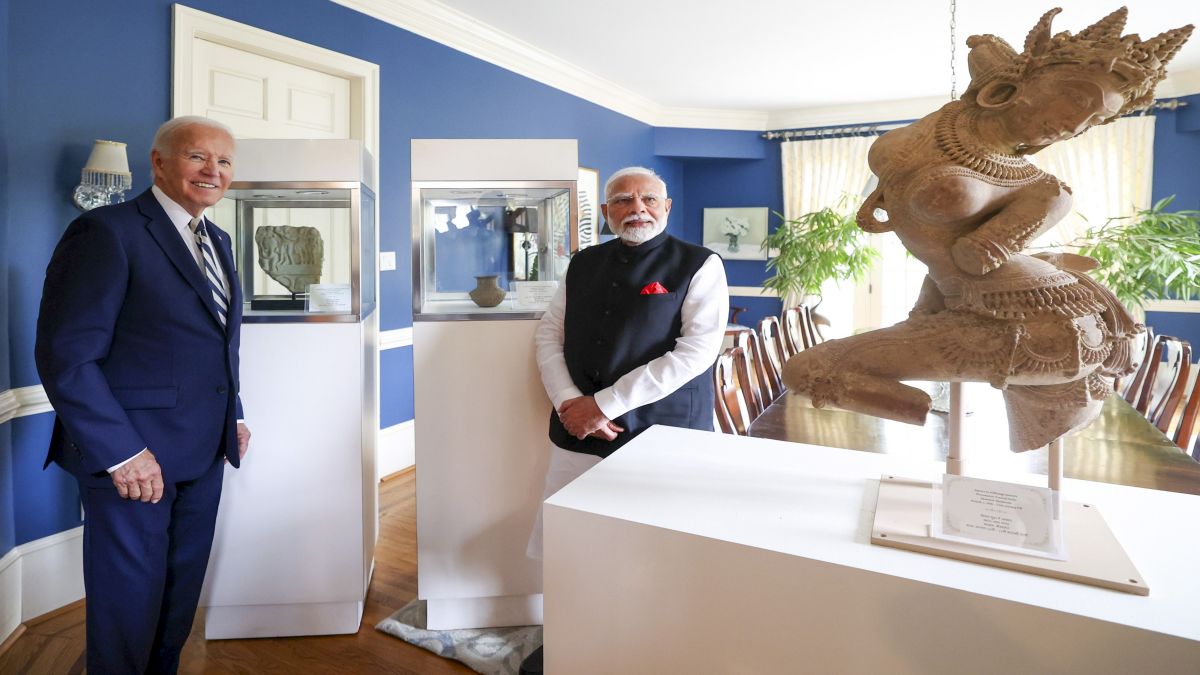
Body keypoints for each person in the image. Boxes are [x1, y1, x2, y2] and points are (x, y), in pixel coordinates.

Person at [782, 8, 1192, 452]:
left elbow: (970, 260)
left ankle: (938, 430)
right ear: (1015, 86)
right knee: (813, 370)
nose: (1075, 126)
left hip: (1032, 325)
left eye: (1094, 120)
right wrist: (925, 310)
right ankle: (940, 426)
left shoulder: (1045, 191)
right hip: (1027, 311)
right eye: (1076, 100)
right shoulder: (946, 129)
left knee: (810, 370)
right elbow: (948, 259)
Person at [35, 116, 251, 674]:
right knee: (127, 606)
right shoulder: (107, 231)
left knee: (178, 598)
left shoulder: (219, 240)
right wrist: (123, 454)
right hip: (133, 459)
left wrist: (236, 414)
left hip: (205, 452)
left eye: (224, 161)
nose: (213, 171)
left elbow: (213, 347)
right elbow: (68, 357)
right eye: (198, 157)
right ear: (158, 162)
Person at [520, 166, 729, 674]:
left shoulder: (699, 265)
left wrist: (604, 405)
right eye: (622, 200)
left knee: (656, 547)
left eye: (648, 198)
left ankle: (651, 648)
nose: (636, 207)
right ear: (608, 210)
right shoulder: (582, 263)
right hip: (577, 433)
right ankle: (571, 639)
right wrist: (571, 402)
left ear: (666, 206)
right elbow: (549, 335)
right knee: (571, 540)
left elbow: (696, 352)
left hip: (664, 433)